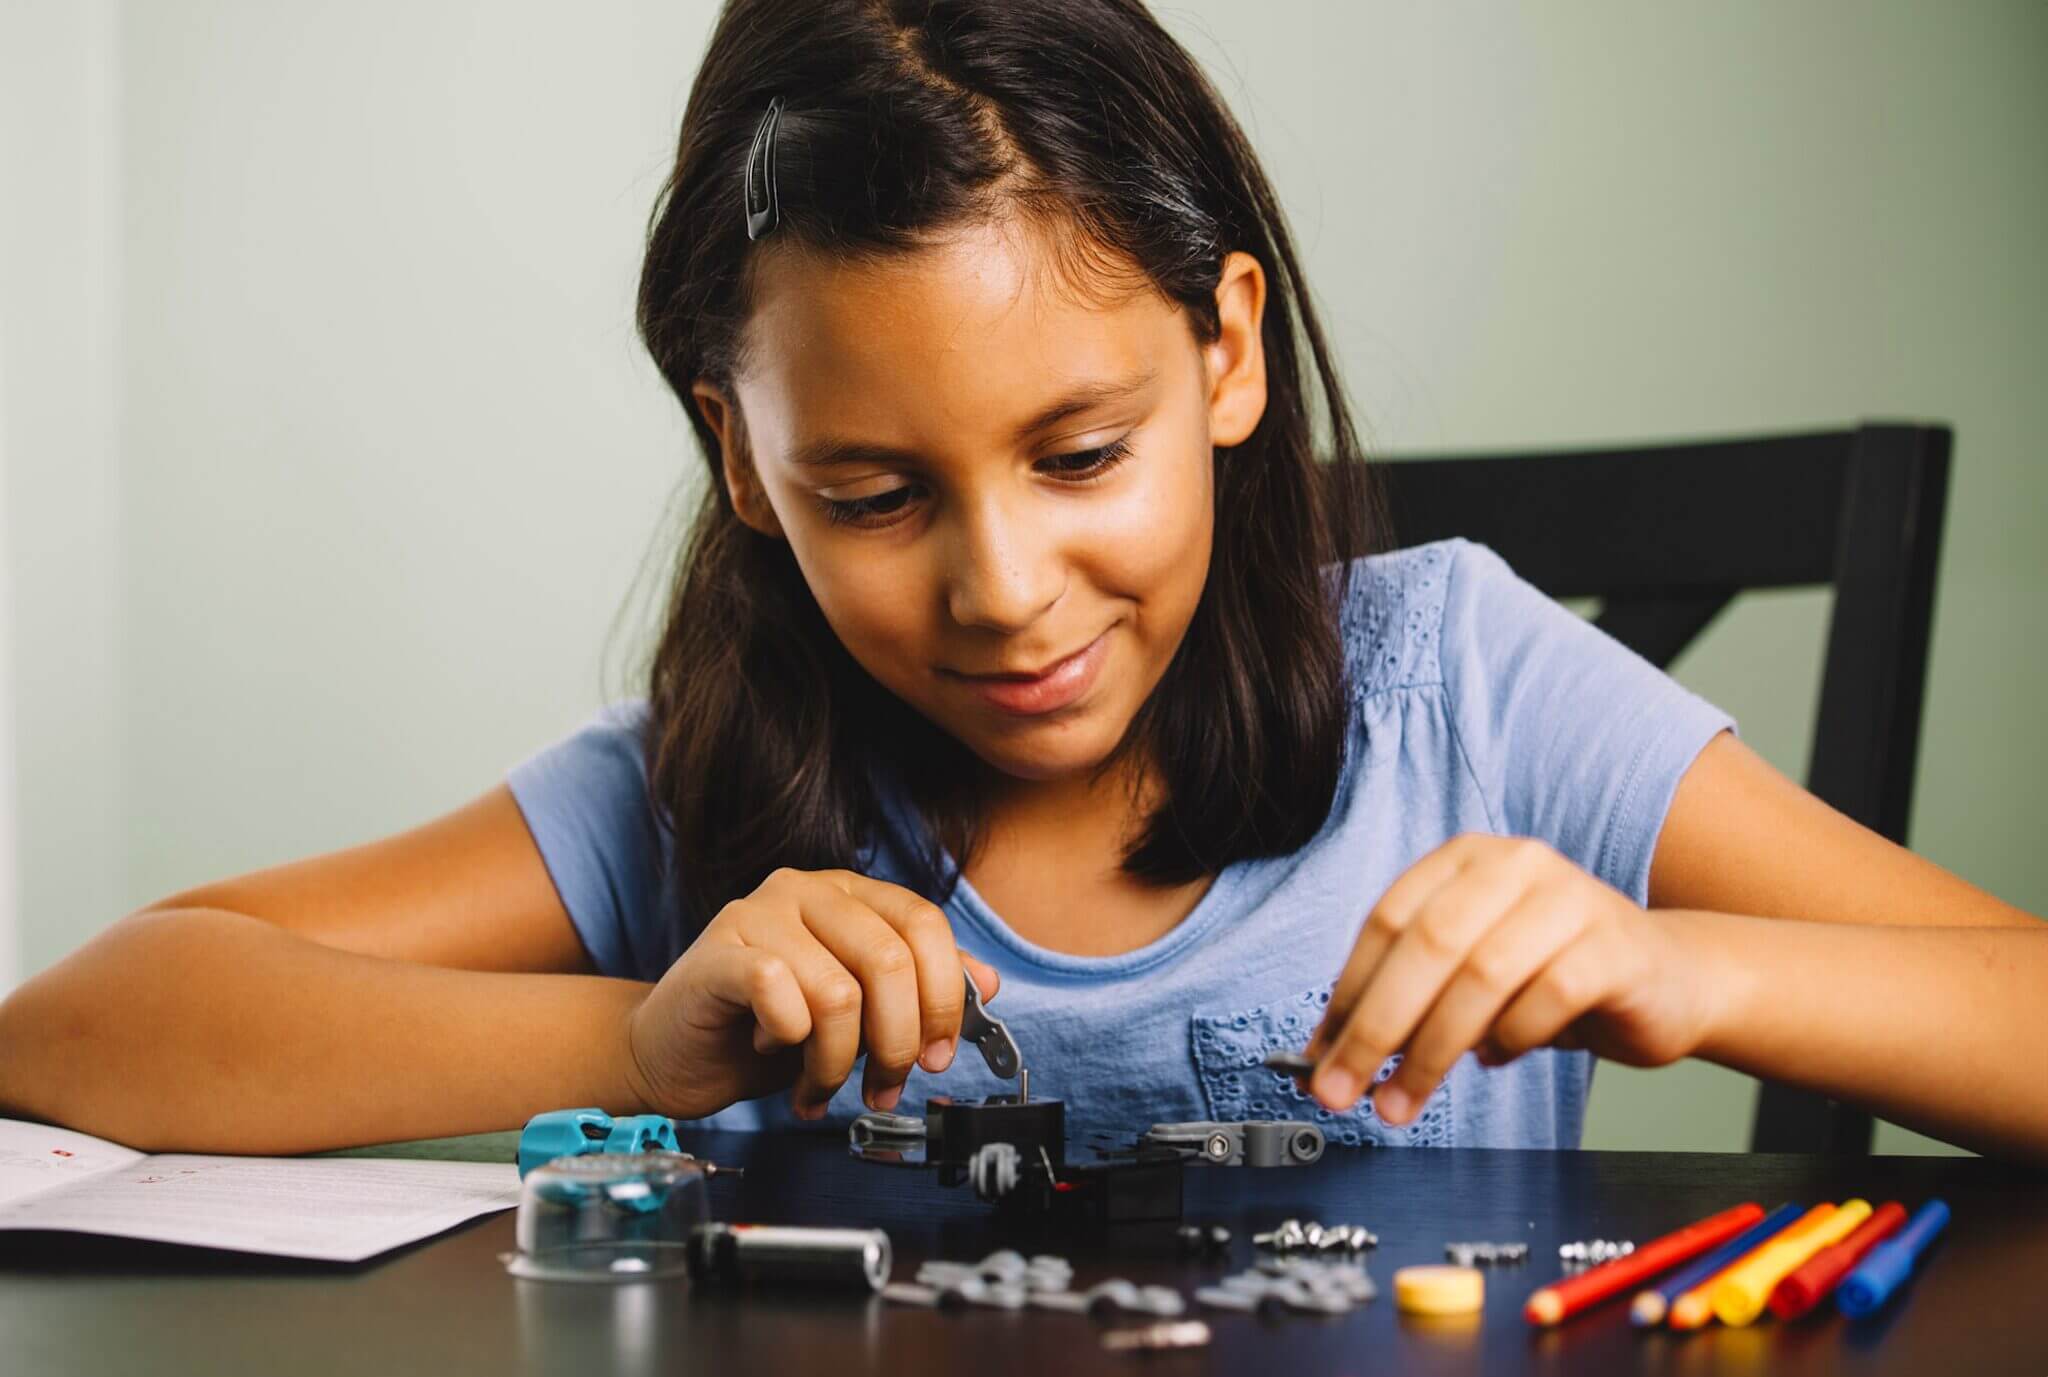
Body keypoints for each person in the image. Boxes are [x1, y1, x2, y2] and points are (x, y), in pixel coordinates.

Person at [2, 0, 2042, 1161]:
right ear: (742, 458)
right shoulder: (696, 798)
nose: (1001, 586)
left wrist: (1693, 963)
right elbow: (78, 1025)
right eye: (874, 493)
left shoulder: (1467, 692)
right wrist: (633, 1045)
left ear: (1226, 353)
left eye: (1080, 455)